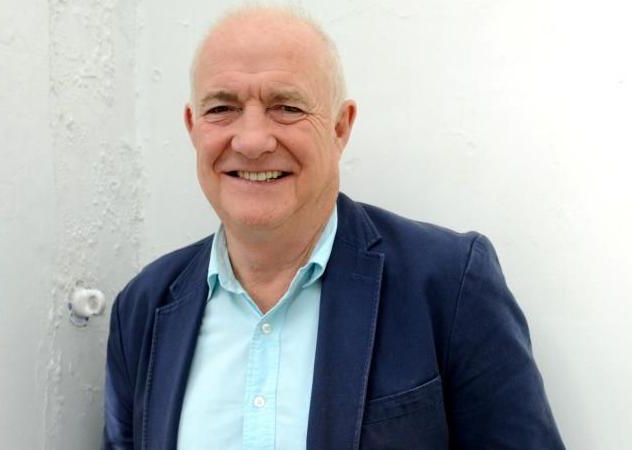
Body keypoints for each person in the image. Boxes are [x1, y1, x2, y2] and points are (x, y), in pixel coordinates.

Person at [104, 6, 564, 449]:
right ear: (192, 126)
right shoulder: (143, 309)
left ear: (341, 127)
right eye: (221, 108)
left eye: (286, 106)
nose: (252, 140)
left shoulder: (449, 285)